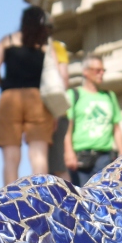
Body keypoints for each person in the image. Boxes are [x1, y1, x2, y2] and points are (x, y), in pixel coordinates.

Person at [0, 6, 56, 185]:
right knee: (39, 154)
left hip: (10, 98)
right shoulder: (46, 46)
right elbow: (56, 76)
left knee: (11, 156)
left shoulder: (8, 40)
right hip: (37, 99)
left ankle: (11, 196)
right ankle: (41, 194)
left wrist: (2, 83)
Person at [64, 54, 122, 188]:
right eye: (97, 70)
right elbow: (67, 127)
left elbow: (116, 128)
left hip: (105, 157)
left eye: (103, 70)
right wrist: (68, 152)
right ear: (86, 72)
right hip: (81, 157)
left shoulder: (109, 96)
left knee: (103, 195)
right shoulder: (74, 95)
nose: (101, 73)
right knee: (80, 195)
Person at [47, 38, 72, 181]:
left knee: (56, 167)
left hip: (49, 113)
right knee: (55, 167)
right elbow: (64, 78)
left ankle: (70, 194)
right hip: (58, 111)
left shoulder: (53, 47)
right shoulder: (57, 47)